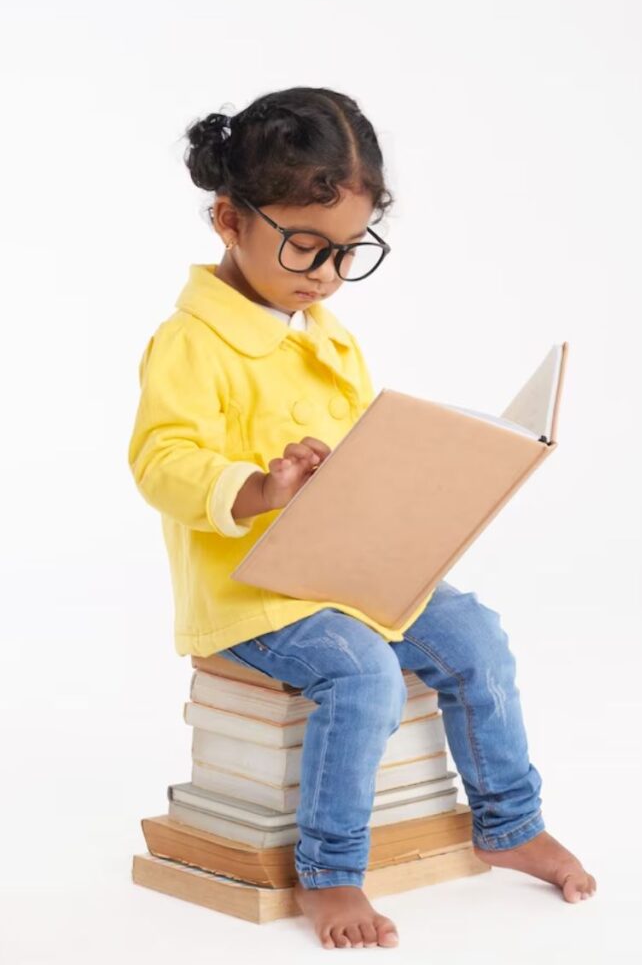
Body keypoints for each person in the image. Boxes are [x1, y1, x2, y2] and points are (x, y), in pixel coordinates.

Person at [127, 86, 596, 951]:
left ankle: (510, 823)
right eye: (306, 245)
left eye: (348, 252)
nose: (326, 273)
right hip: (252, 598)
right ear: (230, 220)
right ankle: (333, 870)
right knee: (364, 675)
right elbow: (160, 462)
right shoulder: (190, 343)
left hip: (348, 570)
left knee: (476, 637)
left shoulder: (328, 334)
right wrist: (257, 488)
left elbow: (360, 454)